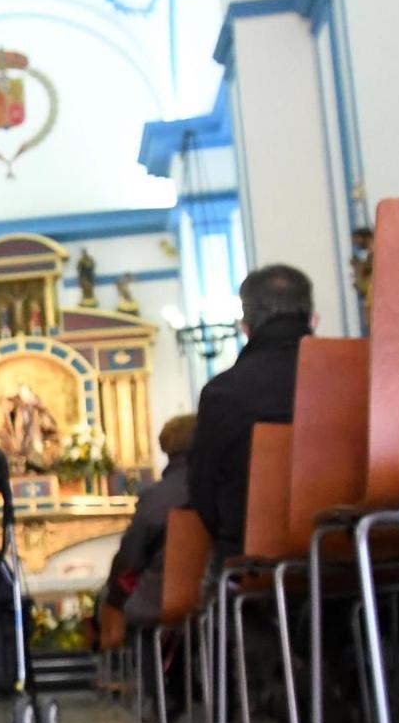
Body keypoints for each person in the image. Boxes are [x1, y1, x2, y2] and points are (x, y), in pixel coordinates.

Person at [188, 265, 315, 559]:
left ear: (245, 326)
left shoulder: (223, 393)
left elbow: (203, 496)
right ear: (311, 318)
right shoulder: (360, 373)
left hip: (257, 562)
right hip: (361, 553)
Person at [104, 414, 197, 628]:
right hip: (212, 590)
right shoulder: (218, 485)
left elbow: (131, 557)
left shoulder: (155, 497)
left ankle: (150, 661)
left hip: (162, 594)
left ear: (166, 446)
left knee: (133, 609)